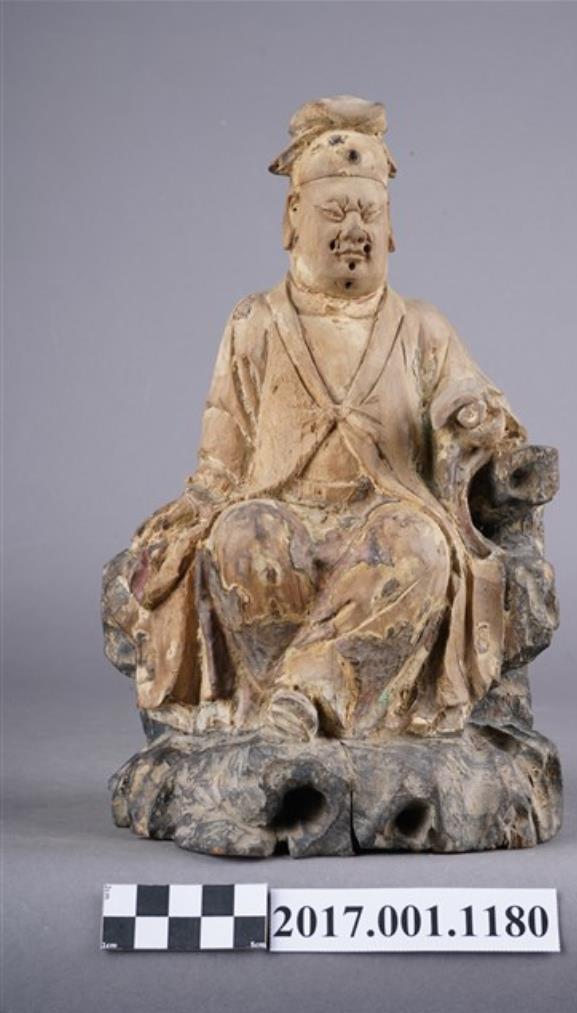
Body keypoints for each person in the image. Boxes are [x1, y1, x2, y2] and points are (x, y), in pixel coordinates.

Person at [104, 95, 525, 742]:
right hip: (282, 510)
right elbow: (221, 461)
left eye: (369, 214)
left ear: (391, 228)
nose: (353, 231)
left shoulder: (421, 327)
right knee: (240, 539)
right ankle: (279, 696)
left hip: (384, 518)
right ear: (292, 218)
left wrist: (474, 420)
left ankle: (301, 698)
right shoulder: (255, 322)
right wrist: (195, 512)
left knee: (421, 548)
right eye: (334, 213)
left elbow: (480, 410)